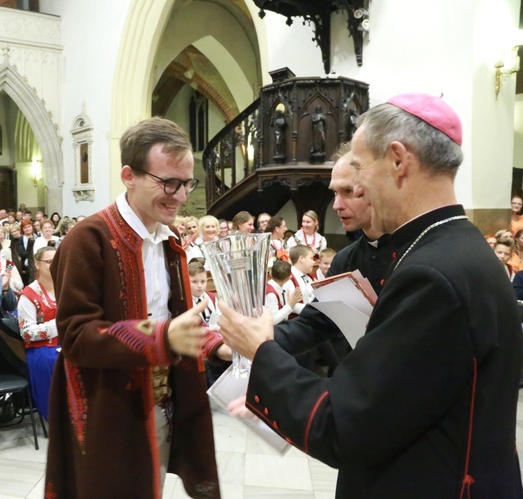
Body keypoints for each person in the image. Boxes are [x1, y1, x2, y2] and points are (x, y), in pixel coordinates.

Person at [218, 93, 523, 497]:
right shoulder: (454, 249)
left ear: (398, 160)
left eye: (360, 168)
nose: (356, 186)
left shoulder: (432, 275)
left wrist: (263, 354)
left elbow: (343, 427)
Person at [45, 117, 222, 498]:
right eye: (168, 183)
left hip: (162, 400)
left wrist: (214, 344)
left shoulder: (167, 238)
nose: (180, 195)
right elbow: (76, 335)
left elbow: (174, 321)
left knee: (151, 485)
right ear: (129, 175)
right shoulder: (88, 238)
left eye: (187, 183)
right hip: (108, 409)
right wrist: (161, 337)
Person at [17, 247, 59, 421]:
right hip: (42, 347)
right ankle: (57, 417)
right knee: (53, 360)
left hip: (69, 340)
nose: (55, 265)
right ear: (37, 264)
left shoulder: (67, 285)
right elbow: (27, 333)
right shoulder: (28, 295)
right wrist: (59, 325)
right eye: (49, 261)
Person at [264, 259, 301, 324]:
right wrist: (290, 304)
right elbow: (273, 321)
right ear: (289, 278)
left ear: (270, 273)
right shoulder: (271, 294)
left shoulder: (282, 288)